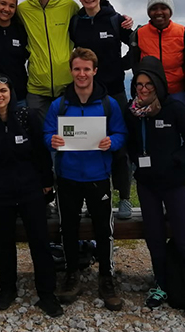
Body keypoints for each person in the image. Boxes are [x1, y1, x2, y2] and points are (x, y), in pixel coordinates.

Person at [0, 73, 62, 317]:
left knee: (40, 242)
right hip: (0, 191)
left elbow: (40, 150)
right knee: (3, 244)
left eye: (3, 91)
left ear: (11, 93)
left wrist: (47, 181)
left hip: (31, 189)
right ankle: (7, 289)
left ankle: (47, 294)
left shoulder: (26, 116)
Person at [124, 56, 185, 317]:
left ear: (158, 84)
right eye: (139, 84)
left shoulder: (173, 108)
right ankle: (160, 285)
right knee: (154, 237)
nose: (143, 89)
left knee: (184, 236)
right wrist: (135, 161)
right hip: (146, 184)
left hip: (174, 183)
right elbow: (129, 143)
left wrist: (175, 160)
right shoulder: (132, 113)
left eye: (148, 84)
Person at [43, 48, 127, 311]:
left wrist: (111, 142)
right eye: (77, 69)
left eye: (86, 69)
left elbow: (121, 133)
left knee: (104, 229)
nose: (82, 74)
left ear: (95, 71)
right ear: (72, 71)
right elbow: (47, 132)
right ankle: (71, 274)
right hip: (67, 176)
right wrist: (52, 141)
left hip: (98, 176)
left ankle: (106, 276)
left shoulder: (108, 103)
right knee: (68, 227)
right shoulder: (60, 104)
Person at [69, 0, 133, 220]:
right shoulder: (77, 22)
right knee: (86, 145)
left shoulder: (115, 19)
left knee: (119, 146)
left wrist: (122, 65)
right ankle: (90, 198)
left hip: (114, 92)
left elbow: (136, 45)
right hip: (85, 93)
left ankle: (125, 199)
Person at [129, 0, 185, 110]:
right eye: (154, 8)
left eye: (163, 8)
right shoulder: (139, 34)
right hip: (148, 92)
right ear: (149, 12)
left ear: (170, 11)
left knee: (178, 126)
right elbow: (135, 62)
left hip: (176, 91)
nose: (158, 12)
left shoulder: (183, 33)